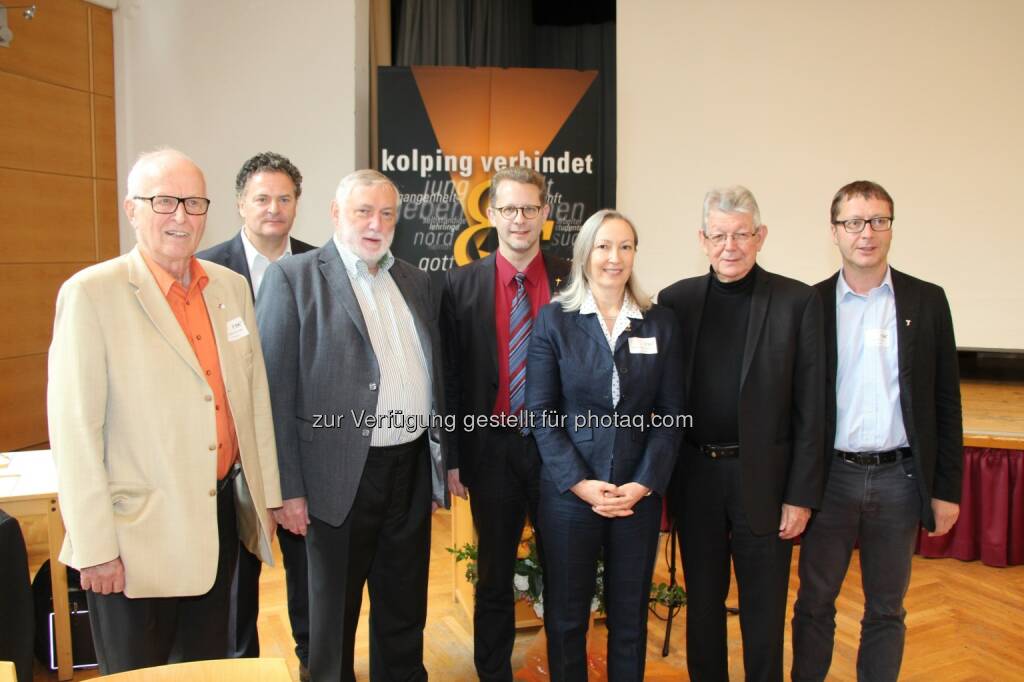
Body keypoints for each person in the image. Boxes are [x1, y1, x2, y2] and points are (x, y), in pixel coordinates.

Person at [47, 148, 282, 674]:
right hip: (134, 543)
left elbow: (253, 400)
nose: (181, 215)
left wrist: (265, 499)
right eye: (164, 201)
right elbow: (75, 432)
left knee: (206, 668)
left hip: (219, 524)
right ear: (132, 209)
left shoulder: (229, 287)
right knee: (140, 675)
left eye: (194, 202)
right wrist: (94, 547)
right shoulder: (92, 294)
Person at [257, 169, 447, 682]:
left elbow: (434, 371)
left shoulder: (415, 279)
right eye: (363, 211)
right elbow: (274, 395)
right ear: (337, 213)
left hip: (407, 468)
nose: (375, 223)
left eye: (387, 213)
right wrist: (287, 490)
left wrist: (434, 466)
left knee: (404, 606)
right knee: (331, 617)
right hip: (334, 479)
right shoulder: (294, 278)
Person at [791, 180, 963, 682]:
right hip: (830, 480)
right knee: (814, 602)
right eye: (854, 222)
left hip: (899, 478)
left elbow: (946, 401)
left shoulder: (927, 302)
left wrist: (946, 489)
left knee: (887, 609)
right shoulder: (811, 305)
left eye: (878, 221)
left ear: (890, 228)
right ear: (835, 232)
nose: (866, 233)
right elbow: (795, 407)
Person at [658, 186, 824, 682]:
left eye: (742, 235)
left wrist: (800, 496)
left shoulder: (798, 301)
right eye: (719, 235)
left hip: (766, 483)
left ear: (761, 237)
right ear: (703, 240)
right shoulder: (676, 301)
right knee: (703, 606)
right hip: (696, 479)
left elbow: (812, 410)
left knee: (764, 610)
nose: (730, 246)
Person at [526, 209, 684, 681]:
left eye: (625, 247)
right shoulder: (555, 321)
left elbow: (672, 416)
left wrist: (643, 484)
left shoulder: (660, 324)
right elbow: (541, 412)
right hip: (571, 494)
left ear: (635, 254)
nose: (614, 258)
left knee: (630, 619)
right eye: (603, 246)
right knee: (568, 617)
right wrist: (580, 484)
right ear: (585, 254)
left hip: (636, 494)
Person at [440, 167, 569, 681]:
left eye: (530, 209)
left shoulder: (572, 280)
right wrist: (451, 459)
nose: (519, 220)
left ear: (545, 215)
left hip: (559, 450)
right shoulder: (459, 286)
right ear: (490, 214)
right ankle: (493, 674)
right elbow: (449, 379)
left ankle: (567, 668)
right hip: (489, 451)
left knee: (564, 570)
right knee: (493, 575)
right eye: (509, 209)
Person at [196, 151, 314, 678]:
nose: (273, 208)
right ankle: (236, 668)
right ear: (241, 203)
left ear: (297, 204)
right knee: (235, 581)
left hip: (298, 451)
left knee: (311, 577)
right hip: (234, 455)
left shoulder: (319, 265)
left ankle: (317, 663)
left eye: (284, 198)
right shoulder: (204, 270)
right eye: (262, 198)